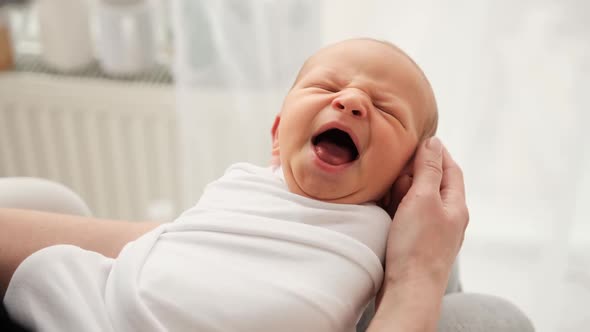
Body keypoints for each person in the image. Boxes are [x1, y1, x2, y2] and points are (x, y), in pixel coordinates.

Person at [1, 38, 469, 332]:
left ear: (402, 182)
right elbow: (192, 240)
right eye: (327, 87)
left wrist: (418, 267)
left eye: (386, 110)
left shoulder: (388, 230)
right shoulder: (243, 182)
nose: (350, 101)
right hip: (111, 308)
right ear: (277, 134)